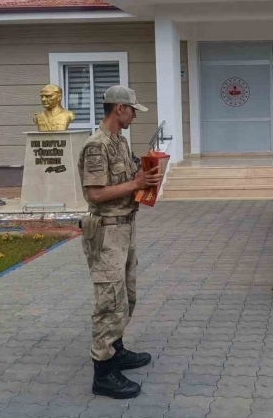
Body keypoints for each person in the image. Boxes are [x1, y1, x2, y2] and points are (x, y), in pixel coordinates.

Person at [77, 85, 164, 399]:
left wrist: (145, 176)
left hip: (125, 227)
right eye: (132, 111)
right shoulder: (96, 146)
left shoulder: (120, 141)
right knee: (108, 302)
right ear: (119, 109)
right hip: (107, 231)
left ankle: (116, 348)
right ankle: (103, 373)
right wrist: (136, 182)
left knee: (126, 296)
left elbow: (126, 182)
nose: (133, 116)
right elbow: (95, 194)